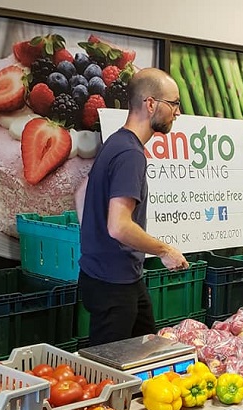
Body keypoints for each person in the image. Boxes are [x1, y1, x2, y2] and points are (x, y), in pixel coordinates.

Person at [78, 67, 189, 347]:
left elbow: (80, 194)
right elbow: (119, 225)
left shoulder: (116, 141)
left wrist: (95, 241)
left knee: (148, 349)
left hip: (116, 277)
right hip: (113, 285)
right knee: (109, 373)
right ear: (150, 103)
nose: (177, 112)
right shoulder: (130, 154)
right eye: (174, 104)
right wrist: (165, 250)